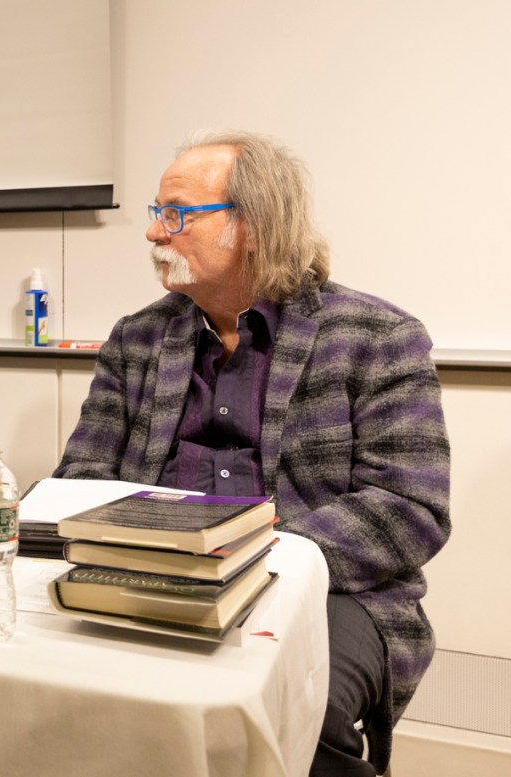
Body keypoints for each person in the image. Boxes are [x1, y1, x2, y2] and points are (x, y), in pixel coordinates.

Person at [54, 130, 450, 776]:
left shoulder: (377, 337)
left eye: (177, 214)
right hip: (154, 575)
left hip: (327, 589)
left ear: (256, 226)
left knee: (298, 709)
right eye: (157, 213)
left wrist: (246, 551)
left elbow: (410, 507)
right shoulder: (137, 339)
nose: (156, 232)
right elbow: (81, 478)